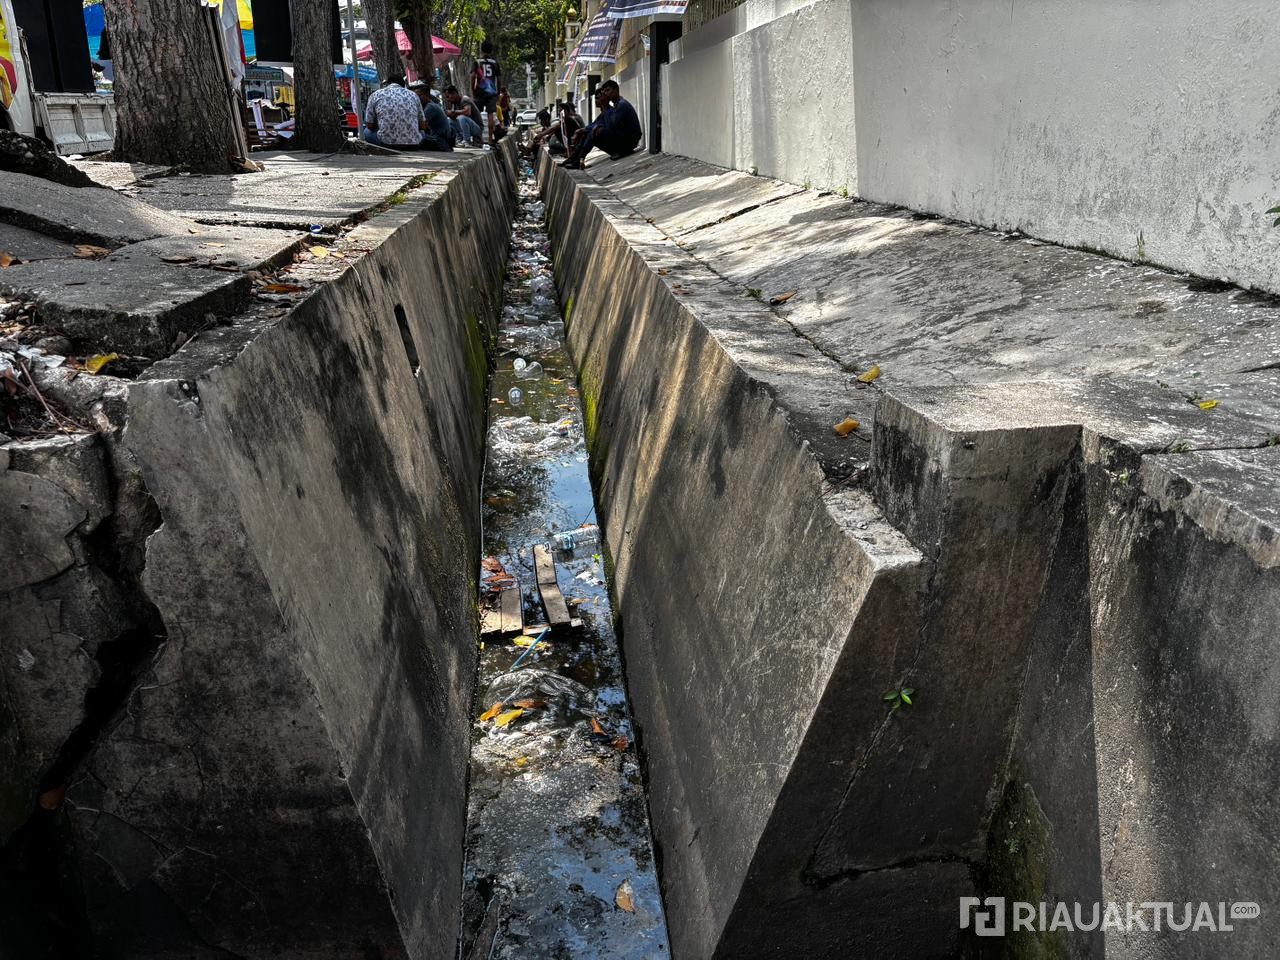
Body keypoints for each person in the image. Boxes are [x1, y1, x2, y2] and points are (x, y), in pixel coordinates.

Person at [561, 80, 642, 169]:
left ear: (616, 90)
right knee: (591, 131)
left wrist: (604, 106)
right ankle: (574, 158)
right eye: (605, 92)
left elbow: (610, 126)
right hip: (624, 139)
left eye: (608, 90)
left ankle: (578, 160)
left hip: (630, 142)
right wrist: (581, 130)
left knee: (595, 131)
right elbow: (597, 123)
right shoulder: (615, 105)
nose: (606, 94)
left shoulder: (621, 105)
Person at [363, 75, 426, 150]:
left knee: (366, 131)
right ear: (403, 85)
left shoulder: (375, 95)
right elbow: (423, 126)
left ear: (387, 84)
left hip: (386, 144)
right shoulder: (414, 95)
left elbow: (369, 125)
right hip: (414, 144)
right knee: (422, 133)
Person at [471, 40, 501, 145]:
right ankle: (489, 138)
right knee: (490, 115)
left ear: (481, 49)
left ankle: (477, 137)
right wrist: (497, 92)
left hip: (480, 90)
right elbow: (499, 79)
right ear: (491, 50)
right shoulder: (494, 63)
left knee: (476, 114)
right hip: (491, 91)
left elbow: (473, 77)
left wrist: (473, 90)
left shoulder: (477, 62)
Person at [411, 82, 455, 152]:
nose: (416, 99)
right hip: (440, 140)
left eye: (419, 96)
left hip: (440, 142)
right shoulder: (429, 105)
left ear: (427, 95)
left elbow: (419, 125)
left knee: (417, 136)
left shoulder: (430, 107)